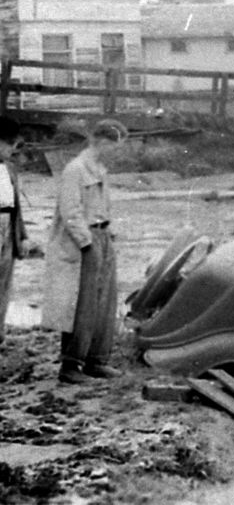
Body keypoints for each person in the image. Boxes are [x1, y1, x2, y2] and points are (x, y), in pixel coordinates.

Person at [42, 119, 127, 384]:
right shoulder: (75, 170)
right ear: (101, 141)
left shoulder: (100, 169)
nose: (117, 152)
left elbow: (101, 206)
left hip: (102, 237)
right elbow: (70, 212)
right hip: (85, 242)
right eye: (114, 146)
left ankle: (96, 361)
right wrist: (86, 242)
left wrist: (108, 233)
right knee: (83, 304)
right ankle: (71, 365)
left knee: (105, 302)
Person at [0, 116, 28, 343]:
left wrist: (23, 235)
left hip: (7, 226)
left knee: (4, 282)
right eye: (8, 143)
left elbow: (16, 206)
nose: (12, 149)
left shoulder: (9, 169)